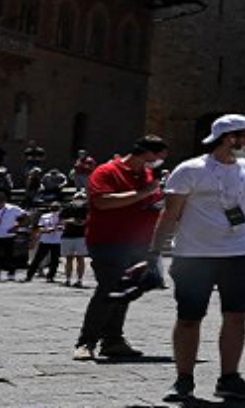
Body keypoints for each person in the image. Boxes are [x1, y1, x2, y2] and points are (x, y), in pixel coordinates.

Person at [152, 115, 245, 402]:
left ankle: (229, 377)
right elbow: (169, 214)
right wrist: (153, 253)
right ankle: (184, 379)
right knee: (189, 318)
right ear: (231, 138)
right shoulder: (190, 169)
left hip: (241, 253)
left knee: (236, 316)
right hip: (195, 255)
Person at [74, 135, 168, 362]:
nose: (160, 162)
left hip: (138, 243)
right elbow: (102, 201)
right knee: (109, 288)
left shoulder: (145, 175)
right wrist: (143, 194)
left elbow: (148, 201)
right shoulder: (107, 171)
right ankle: (86, 342)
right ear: (146, 153)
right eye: (159, 156)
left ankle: (113, 340)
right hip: (108, 241)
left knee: (125, 290)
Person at [25, 205, 65, 283]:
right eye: (53, 208)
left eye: (56, 208)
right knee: (37, 259)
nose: (55, 210)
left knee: (54, 260)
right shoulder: (45, 216)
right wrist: (46, 230)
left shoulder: (62, 217)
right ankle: (29, 275)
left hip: (57, 241)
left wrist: (59, 227)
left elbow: (64, 227)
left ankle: (50, 276)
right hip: (45, 240)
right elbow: (40, 227)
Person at [58, 203, 88, 288]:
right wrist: (72, 221)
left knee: (80, 258)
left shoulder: (86, 209)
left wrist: (75, 221)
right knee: (68, 259)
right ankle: (68, 279)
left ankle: (79, 280)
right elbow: (61, 219)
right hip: (67, 236)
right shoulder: (67, 208)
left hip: (81, 236)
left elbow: (85, 221)